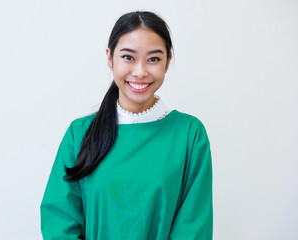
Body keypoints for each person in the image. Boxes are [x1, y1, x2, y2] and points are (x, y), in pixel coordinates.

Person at [40, 11, 213, 240]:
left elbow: (193, 228)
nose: (140, 72)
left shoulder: (190, 135)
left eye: (153, 59)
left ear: (168, 62)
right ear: (110, 58)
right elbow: (59, 221)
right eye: (128, 57)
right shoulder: (80, 134)